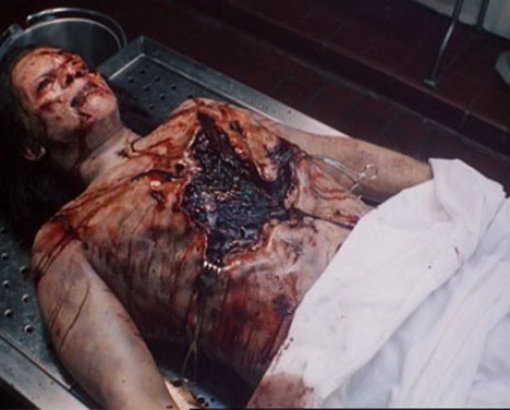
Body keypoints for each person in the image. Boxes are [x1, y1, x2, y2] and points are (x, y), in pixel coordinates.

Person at [7, 46, 432, 409]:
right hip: (343, 359)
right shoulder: (68, 238)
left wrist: (437, 183)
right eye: (48, 84)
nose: (75, 74)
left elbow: (342, 157)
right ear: (30, 146)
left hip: (417, 258)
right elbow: (136, 396)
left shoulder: (200, 113)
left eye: (79, 66)